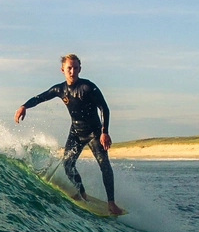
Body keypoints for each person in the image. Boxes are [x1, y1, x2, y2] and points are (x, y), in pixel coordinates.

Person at [15, 54, 122, 215]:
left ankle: (112, 203)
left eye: (75, 68)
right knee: (68, 164)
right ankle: (82, 193)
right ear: (62, 70)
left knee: (104, 165)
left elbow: (104, 109)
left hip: (94, 133)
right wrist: (24, 106)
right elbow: (41, 97)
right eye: (69, 68)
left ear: (80, 69)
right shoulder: (60, 89)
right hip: (76, 133)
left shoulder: (88, 87)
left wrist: (104, 132)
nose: (72, 71)